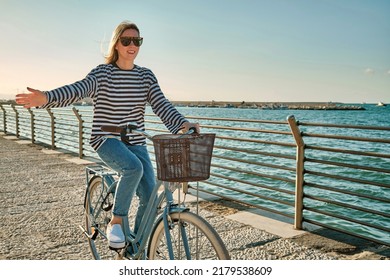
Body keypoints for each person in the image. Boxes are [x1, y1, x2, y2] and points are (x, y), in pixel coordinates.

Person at [15, 21, 200, 249]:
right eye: (126, 40)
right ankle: (117, 220)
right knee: (133, 168)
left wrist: (182, 124)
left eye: (137, 41)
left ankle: (136, 248)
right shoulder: (103, 73)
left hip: (136, 141)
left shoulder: (146, 76)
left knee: (150, 196)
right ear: (116, 44)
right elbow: (77, 90)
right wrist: (46, 98)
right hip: (106, 139)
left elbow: (162, 105)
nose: (132, 45)